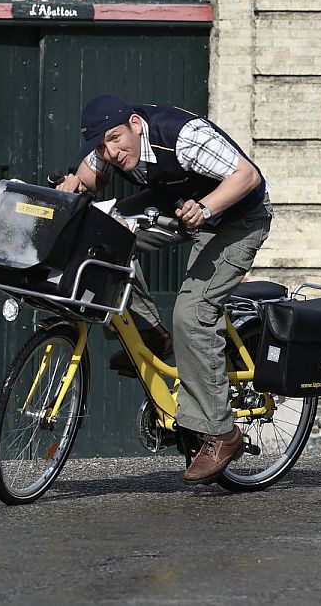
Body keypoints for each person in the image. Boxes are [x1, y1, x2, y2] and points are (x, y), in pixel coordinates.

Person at [57, 94, 272, 485]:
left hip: (237, 219)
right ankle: (152, 335)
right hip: (177, 206)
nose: (112, 151)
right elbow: (90, 176)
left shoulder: (184, 137)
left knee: (192, 313)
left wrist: (205, 209)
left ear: (135, 123)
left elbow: (247, 176)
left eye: (116, 139)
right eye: (103, 145)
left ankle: (222, 434)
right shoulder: (109, 146)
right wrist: (73, 185)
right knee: (102, 234)